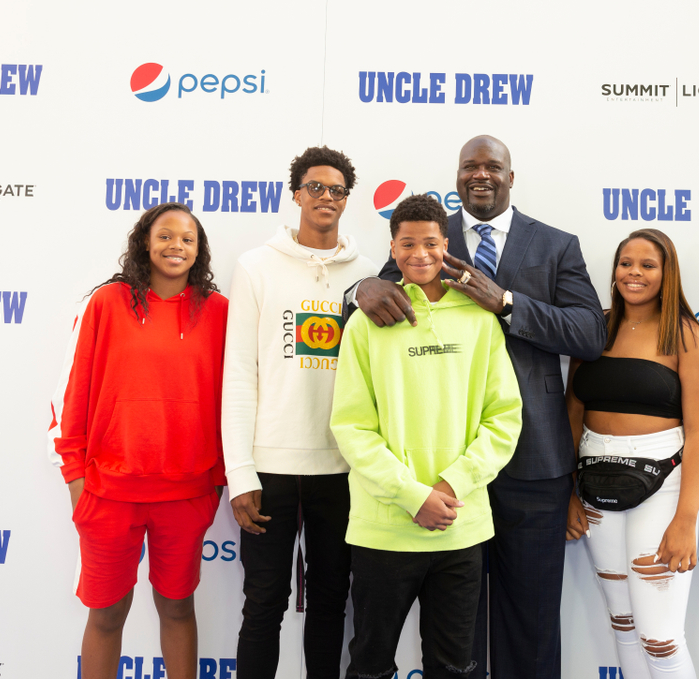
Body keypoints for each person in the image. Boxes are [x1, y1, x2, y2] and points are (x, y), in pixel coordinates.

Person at [348, 135, 606, 679]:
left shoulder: (556, 244)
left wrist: (507, 303)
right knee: (457, 634)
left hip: (532, 456)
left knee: (532, 618)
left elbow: (589, 333)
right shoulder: (429, 237)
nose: (480, 175)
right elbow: (374, 298)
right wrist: (358, 288)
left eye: (492, 166)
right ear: (458, 176)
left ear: (511, 177)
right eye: (470, 166)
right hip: (441, 469)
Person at [330, 193, 522, 679]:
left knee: (453, 667)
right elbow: (351, 426)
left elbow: (504, 418)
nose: (420, 254)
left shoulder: (481, 319)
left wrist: (452, 485)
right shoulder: (365, 324)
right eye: (408, 244)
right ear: (392, 249)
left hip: (460, 524)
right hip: (384, 529)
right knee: (370, 667)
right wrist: (412, 496)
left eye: (431, 243)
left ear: (446, 246)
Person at [47, 202, 228, 679]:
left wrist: (216, 481)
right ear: (145, 242)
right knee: (106, 614)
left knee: (177, 608)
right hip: (108, 493)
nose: (176, 246)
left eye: (187, 239)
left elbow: (234, 400)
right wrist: (76, 479)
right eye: (165, 236)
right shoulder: (107, 302)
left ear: (199, 250)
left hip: (186, 494)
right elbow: (72, 393)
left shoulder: (219, 311)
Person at [222, 146, 377, 679]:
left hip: (342, 468)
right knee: (263, 602)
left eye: (337, 190)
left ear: (347, 199)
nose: (325, 197)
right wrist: (240, 472)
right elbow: (239, 374)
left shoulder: (368, 273)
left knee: (333, 599)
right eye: (315, 187)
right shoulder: (255, 267)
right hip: (270, 469)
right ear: (296, 194)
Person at [565, 228, 699, 678]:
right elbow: (573, 413)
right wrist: (568, 492)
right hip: (594, 483)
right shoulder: (596, 327)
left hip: (663, 485)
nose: (634, 273)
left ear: (667, 274)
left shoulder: (686, 335)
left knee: (660, 639)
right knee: (624, 624)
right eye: (626, 263)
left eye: (648, 265)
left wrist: (686, 519)